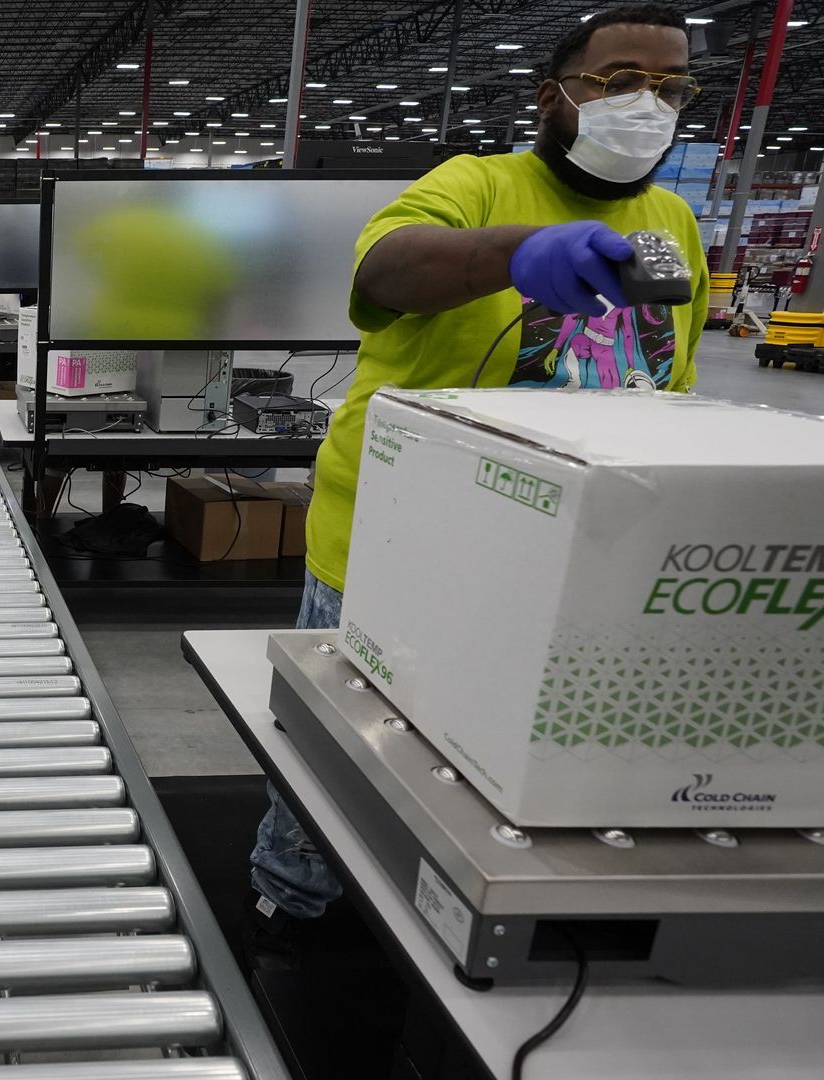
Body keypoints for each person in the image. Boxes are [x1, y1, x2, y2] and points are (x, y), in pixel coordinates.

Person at [248, 2, 708, 952]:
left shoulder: (674, 223)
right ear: (557, 96)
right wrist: (515, 254)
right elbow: (388, 270)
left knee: (492, 765)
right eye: (621, 80)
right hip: (394, 542)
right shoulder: (474, 183)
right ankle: (288, 915)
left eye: (670, 88)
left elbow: (676, 382)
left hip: (570, 560)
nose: (648, 105)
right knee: (339, 754)